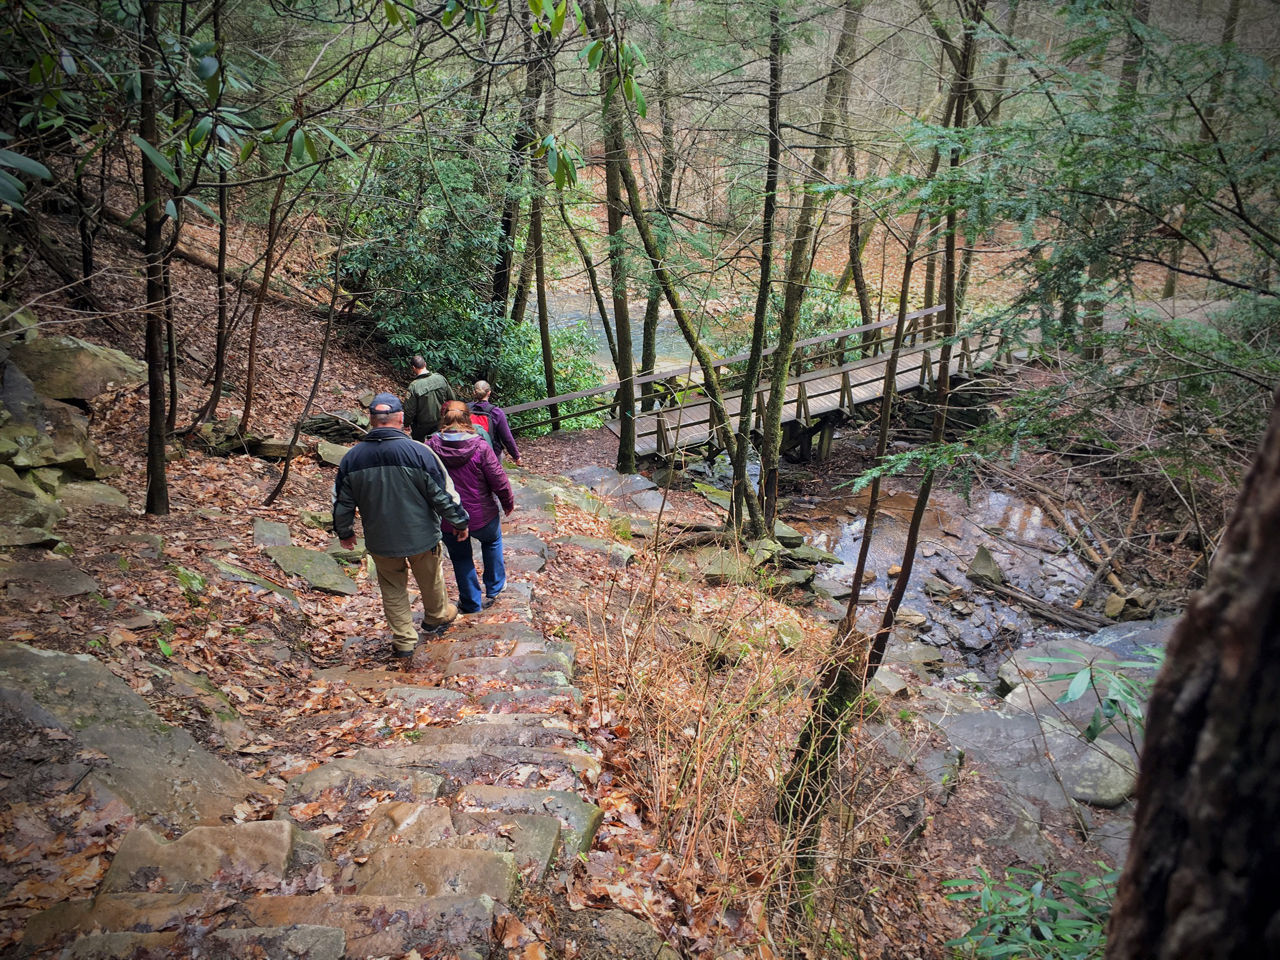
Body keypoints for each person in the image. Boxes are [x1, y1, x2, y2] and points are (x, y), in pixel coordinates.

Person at [333, 393, 470, 657]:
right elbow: (441, 493)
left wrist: (345, 532)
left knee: (392, 588)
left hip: (381, 539)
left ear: (371, 420)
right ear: (401, 419)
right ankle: (435, 616)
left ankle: (405, 641)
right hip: (422, 535)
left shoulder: (352, 459)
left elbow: (342, 501)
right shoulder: (419, 452)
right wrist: (459, 521)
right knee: (430, 579)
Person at [427, 407, 515, 612]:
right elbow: (499, 479)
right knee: (492, 541)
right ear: (468, 422)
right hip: (482, 514)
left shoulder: (430, 447)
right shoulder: (480, 447)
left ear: (443, 423)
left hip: (448, 515)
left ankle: (471, 602)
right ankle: (495, 586)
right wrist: (507, 502)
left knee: (460, 557)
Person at [468, 380, 521, 464]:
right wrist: (516, 456)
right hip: (491, 453)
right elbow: (507, 438)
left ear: (474, 392)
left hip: (469, 451)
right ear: (489, 393)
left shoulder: (466, 408)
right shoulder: (496, 412)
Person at [404, 355, 456, 442]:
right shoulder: (440, 378)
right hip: (440, 421)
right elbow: (452, 399)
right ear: (425, 364)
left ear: (413, 368)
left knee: (419, 447)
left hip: (421, 425)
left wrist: (406, 424)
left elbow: (409, 410)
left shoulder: (414, 386)